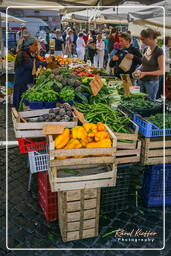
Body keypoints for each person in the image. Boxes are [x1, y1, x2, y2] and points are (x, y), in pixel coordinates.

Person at [13, 37, 46, 110]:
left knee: (24, 103)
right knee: (19, 102)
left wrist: (39, 57)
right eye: (35, 45)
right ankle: (17, 117)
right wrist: (45, 63)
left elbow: (37, 61)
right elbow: (31, 65)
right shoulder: (22, 54)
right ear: (29, 46)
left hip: (26, 82)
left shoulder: (29, 54)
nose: (36, 47)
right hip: (21, 83)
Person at [136, 28, 164, 100]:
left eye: (143, 39)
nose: (142, 41)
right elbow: (144, 64)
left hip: (151, 82)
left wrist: (145, 73)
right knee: (140, 102)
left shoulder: (159, 51)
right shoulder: (146, 49)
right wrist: (138, 69)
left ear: (150, 38)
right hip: (141, 81)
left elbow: (161, 71)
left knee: (149, 103)